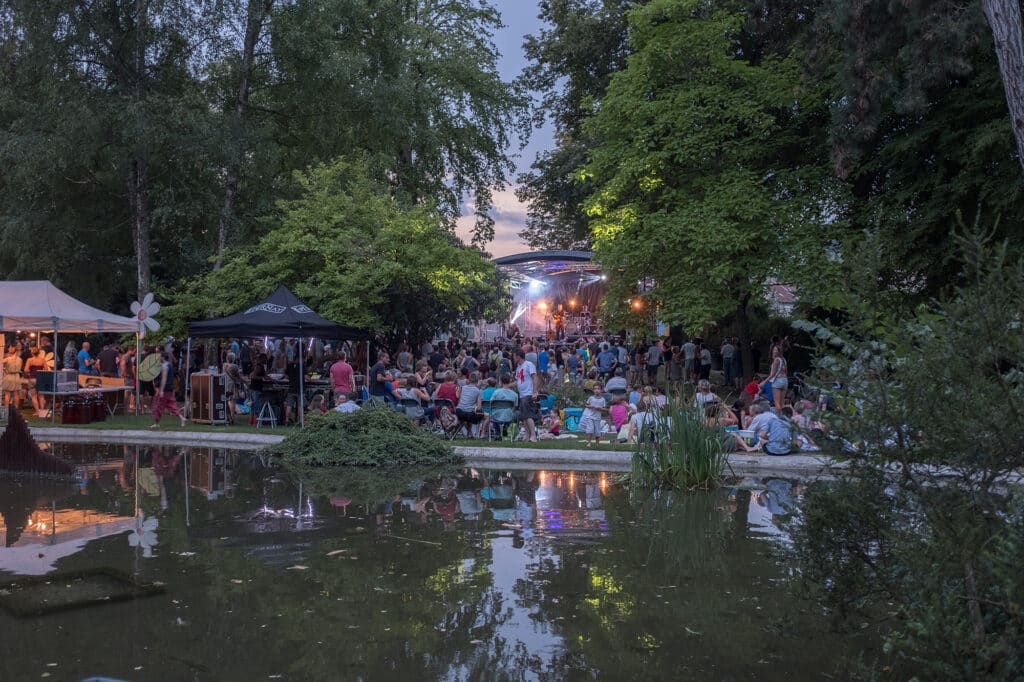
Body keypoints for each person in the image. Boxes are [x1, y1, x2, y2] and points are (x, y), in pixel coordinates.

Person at [150, 351, 186, 428]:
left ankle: (157, 423)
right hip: (170, 388)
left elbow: (164, 379)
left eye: (160, 356)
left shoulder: (164, 366)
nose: (159, 358)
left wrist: (161, 390)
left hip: (165, 389)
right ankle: (182, 418)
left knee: (158, 406)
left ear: (163, 357)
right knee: (171, 405)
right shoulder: (170, 365)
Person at [513, 348, 539, 442]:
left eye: (514, 356)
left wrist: (534, 391)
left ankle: (533, 435)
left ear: (518, 356)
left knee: (528, 415)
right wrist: (507, 386)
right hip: (522, 394)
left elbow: (534, 377)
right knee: (524, 416)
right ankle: (527, 435)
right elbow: (517, 381)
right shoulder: (518, 368)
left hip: (528, 393)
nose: (513, 358)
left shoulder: (529, 365)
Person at [455, 371, 489, 438]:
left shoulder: (463, 388)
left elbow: (459, 398)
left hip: (459, 412)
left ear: (469, 380)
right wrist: (476, 407)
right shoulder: (478, 391)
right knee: (487, 416)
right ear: (477, 381)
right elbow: (479, 408)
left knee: (468, 413)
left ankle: (469, 433)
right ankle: (482, 434)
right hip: (469, 414)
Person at [760, 344, 789, 412]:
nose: (774, 351)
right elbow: (786, 372)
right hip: (785, 381)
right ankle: (782, 418)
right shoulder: (784, 360)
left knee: (777, 403)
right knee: (782, 403)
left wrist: (764, 382)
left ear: (779, 351)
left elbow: (773, 374)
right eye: (774, 350)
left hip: (778, 381)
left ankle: (778, 419)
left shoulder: (776, 360)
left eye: (776, 350)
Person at [579, 383, 607, 447]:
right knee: (590, 430)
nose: (596, 390)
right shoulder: (591, 398)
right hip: (590, 417)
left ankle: (597, 443)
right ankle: (589, 442)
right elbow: (586, 405)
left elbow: (605, 409)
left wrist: (599, 408)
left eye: (598, 389)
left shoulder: (602, 399)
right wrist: (590, 406)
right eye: (595, 389)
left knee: (597, 432)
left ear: (601, 390)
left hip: (597, 418)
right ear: (593, 390)